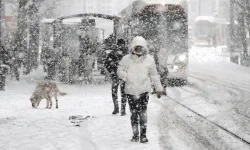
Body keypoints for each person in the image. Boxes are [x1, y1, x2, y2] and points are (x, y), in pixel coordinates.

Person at [117, 36, 163, 143]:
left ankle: (143, 135)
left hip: (144, 91)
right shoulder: (126, 59)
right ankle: (135, 135)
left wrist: (158, 88)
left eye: (140, 48)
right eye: (136, 48)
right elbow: (119, 70)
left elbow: (154, 75)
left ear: (144, 48)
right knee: (134, 113)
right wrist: (124, 75)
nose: (138, 50)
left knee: (142, 113)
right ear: (132, 48)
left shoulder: (149, 60)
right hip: (130, 91)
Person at [104, 39, 128, 115]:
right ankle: (117, 108)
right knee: (116, 92)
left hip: (122, 75)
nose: (121, 46)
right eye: (121, 44)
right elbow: (107, 63)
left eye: (122, 44)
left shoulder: (126, 54)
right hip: (116, 75)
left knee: (122, 92)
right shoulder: (115, 53)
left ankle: (121, 109)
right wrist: (111, 70)